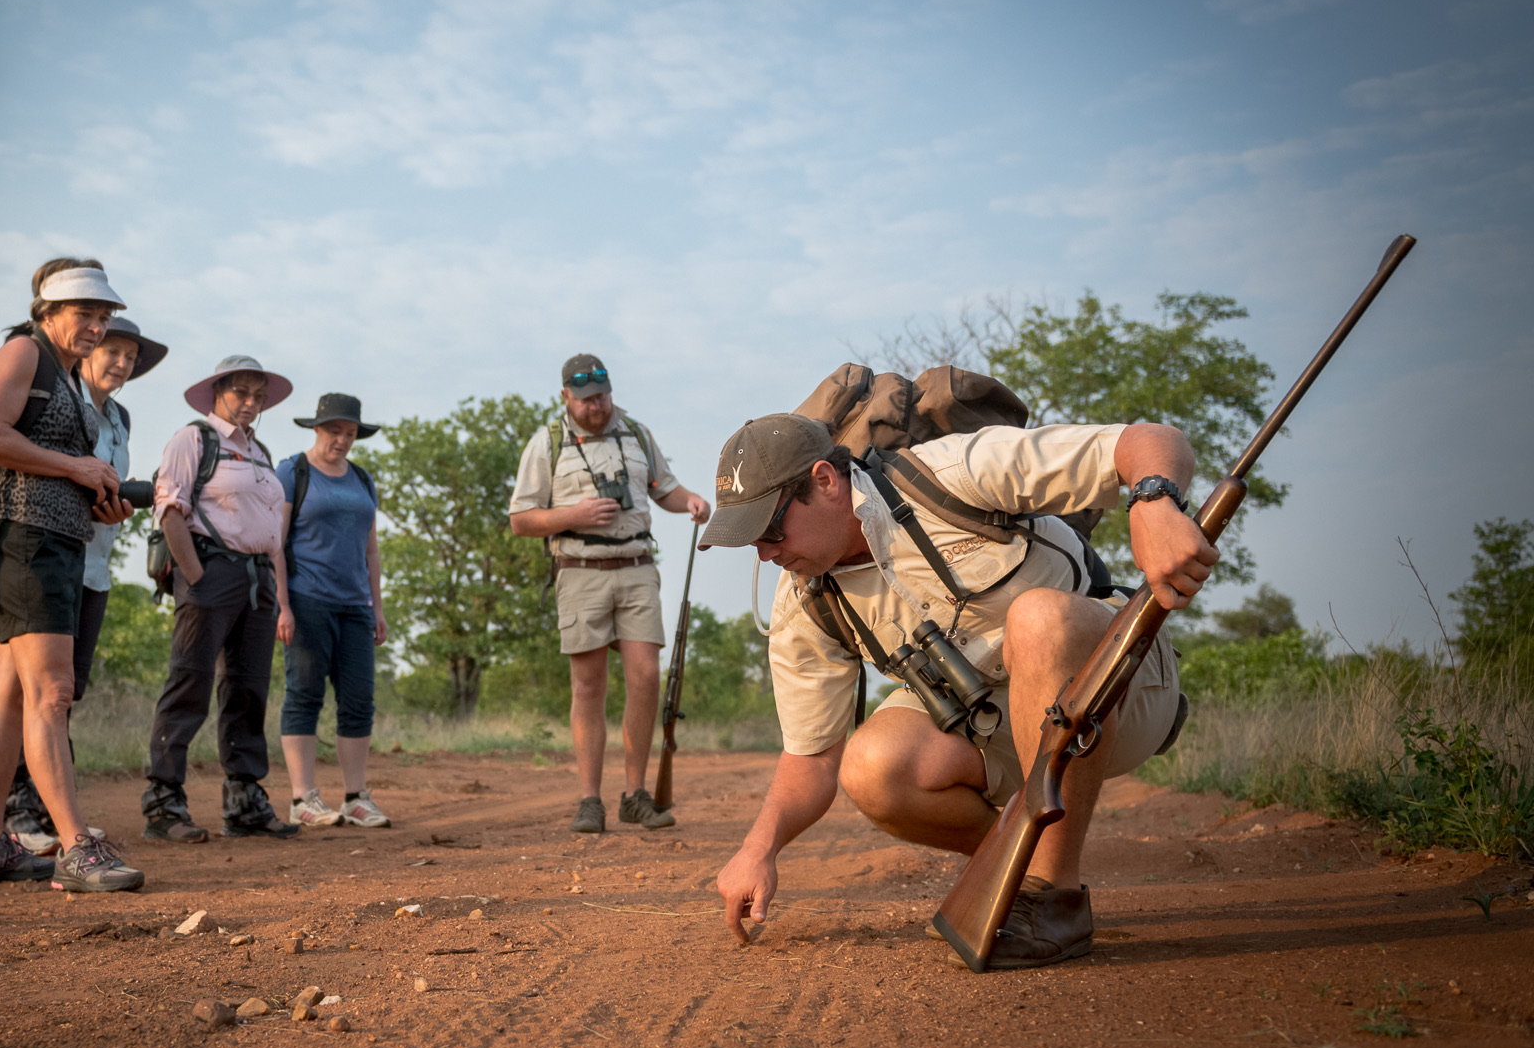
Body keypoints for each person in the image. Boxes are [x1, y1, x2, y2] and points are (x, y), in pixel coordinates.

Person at [698, 413, 1213, 969]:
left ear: (825, 481)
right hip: (988, 721)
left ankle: (1054, 897)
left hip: (1122, 691)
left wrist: (1155, 503)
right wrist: (758, 850)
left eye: (771, 530)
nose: (765, 553)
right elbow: (812, 757)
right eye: (751, 540)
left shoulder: (951, 474)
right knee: (870, 766)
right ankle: (1018, 867)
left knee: (1038, 619)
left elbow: (1152, 440)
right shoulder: (803, 600)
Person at [0, 260, 144, 893]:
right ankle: (76, 846)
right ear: (47, 312)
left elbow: (57, 465)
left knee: (13, 695)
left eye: (104, 316)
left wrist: (98, 496)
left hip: (59, 541)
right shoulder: (23, 352)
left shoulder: (63, 374)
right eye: (85, 314)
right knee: (52, 694)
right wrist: (75, 467)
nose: (97, 327)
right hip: (26, 540)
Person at [508, 353, 711, 834]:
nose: (596, 407)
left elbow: (664, 488)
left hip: (637, 566)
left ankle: (635, 795)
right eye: (585, 400)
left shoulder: (637, 433)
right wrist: (572, 516)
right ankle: (589, 800)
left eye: (601, 396)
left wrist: (691, 501)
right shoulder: (547, 442)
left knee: (645, 676)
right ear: (565, 397)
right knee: (588, 685)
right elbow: (521, 520)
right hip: (579, 570)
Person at [3, 314, 168, 854]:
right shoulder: (60, 396)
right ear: (88, 350)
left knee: (65, 694)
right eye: (113, 351)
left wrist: (117, 501)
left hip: (93, 565)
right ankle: (17, 814)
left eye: (130, 358)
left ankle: (49, 811)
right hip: (43, 551)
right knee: (32, 692)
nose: (121, 363)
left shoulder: (120, 418)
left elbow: (99, 485)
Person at [141, 356, 300, 841]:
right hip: (211, 569)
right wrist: (196, 575)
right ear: (217, 392)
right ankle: (164, 802)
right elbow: (169, 509)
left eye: (259, 396)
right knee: (190, 680)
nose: (251, 403)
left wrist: (277, 593)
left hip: (258, 578)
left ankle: (244, 801)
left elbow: (272, 532)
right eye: (241, 393)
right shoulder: (194, 438)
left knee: (248, 688)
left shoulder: (260, 452)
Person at [275, 394, 393, 828]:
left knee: (359, 700)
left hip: (356, 605)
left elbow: (371, 549)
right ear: (316, 429)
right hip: (306, 598)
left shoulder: (362, 479)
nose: (342, 440)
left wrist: (377, 606)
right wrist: (282, 605)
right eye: (334, 431)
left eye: (350, 433)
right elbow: (275, 542)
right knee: (304, 694)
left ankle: (356, 798)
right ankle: (302, 799)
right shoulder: (293, 471)